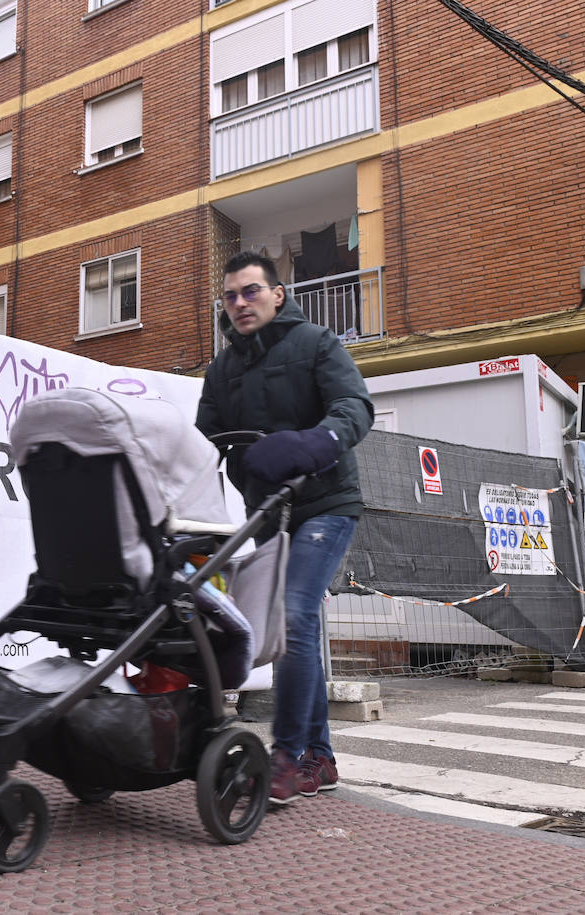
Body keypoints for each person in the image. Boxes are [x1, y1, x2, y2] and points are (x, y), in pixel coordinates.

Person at [196, 250, 373, 805]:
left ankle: (288, 755)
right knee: (291, 628)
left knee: (294, 615)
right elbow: (205, 439)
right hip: (269, 512)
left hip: (326, 503)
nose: (240, 303)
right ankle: (320, 757)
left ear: (278, 294)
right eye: (230, 296)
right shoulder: (222, 370)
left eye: (251, 292)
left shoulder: (318, 343)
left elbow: (354, 407)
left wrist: (312, 443)